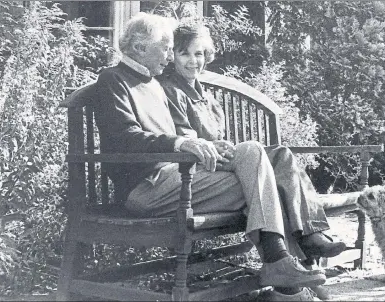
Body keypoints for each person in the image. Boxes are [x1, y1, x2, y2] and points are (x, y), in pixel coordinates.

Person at [92, 12, 326, 300]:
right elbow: (126, 138)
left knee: (252, 155)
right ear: (140, 48)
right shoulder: (113, 80)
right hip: (146, 188)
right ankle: (290, 278)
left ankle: (280, 265)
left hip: (177, 179)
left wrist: (212, 147)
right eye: (165, 48)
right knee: (264, 182)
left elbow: (182, 136)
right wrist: (181, 144)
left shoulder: (153, 83)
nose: (168, 56)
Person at [158, 23, 346, 301]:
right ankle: (299, 269)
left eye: (199, 54)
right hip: (196, 171)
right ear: (172, 55)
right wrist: (216, 148)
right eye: (184, 53)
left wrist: (224, 147)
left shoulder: (206, 97)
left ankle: (309, 237)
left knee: (280, 155)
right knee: (263, 179)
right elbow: (187, 141)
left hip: (221, 162)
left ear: (207, 56)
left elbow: (220, 138)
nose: (192, 61)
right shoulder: (171, 91)